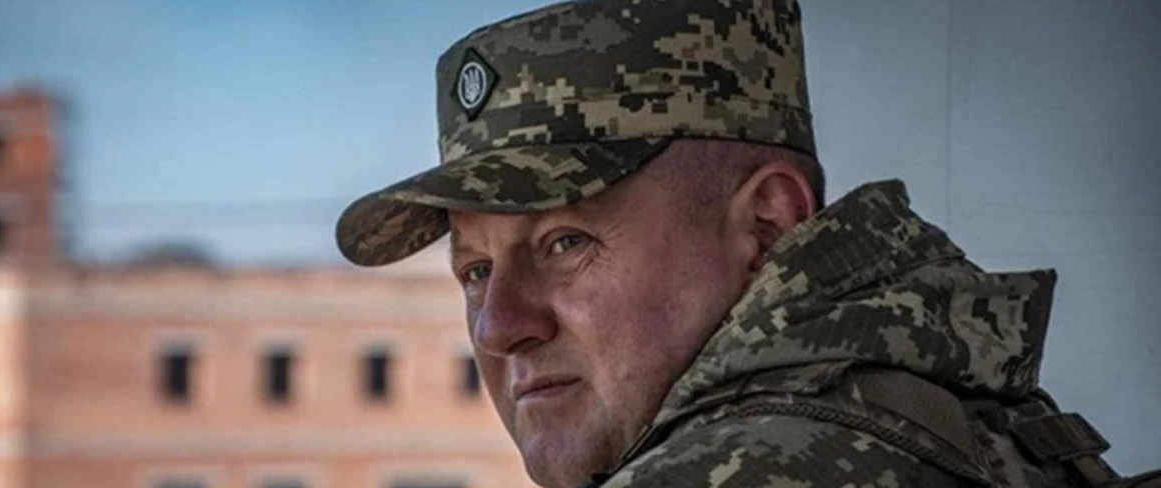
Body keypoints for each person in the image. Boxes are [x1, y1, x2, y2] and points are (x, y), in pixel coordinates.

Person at [336, 1, 1155, 487]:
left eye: (565, 242)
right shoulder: (959, 422)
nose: (497, 326)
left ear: (769, 225)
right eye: (476, 270)